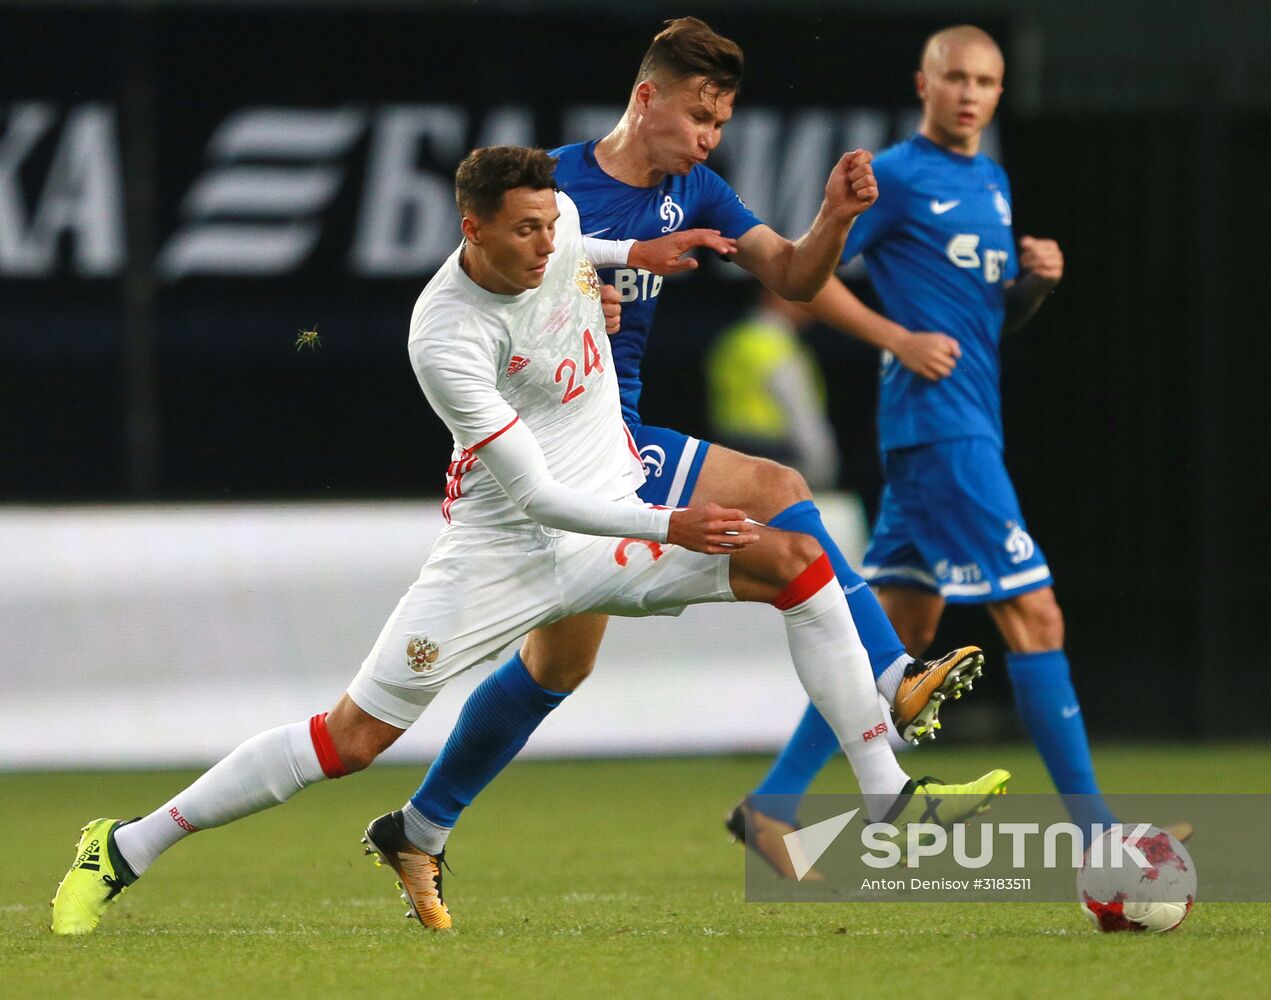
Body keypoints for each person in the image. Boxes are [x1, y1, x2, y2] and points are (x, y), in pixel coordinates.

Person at [49, 146, 1009, 936]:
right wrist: (671, 523)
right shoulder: (443, 336)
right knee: (351, 739)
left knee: (797, 560)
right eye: (526, 230)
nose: (548, 246)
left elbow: (588, 241)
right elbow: (542, 498)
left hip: (612, 517)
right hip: (505, 553)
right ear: (471, 230)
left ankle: (887, 800)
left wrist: (648, 251)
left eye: (554, 225)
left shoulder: (554, 242)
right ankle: (125, 846)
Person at [403, 16, 991, 885]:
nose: (710, 137)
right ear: (646, 100)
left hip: (607, 438)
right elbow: (469, 295)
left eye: (721, 122)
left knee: (560, 664)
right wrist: (562, 308)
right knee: (775, 484)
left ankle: (420, 825)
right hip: (572, 443)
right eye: (698, 117)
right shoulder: (552, 188)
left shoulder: (700, 193)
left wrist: (831, 218)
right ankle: (892, 678)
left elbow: (793, 277)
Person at [799, 25, 1115, 832]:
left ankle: (769, 809)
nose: (969, 93)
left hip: (964, 421)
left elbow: (983, 321)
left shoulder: (994, 181)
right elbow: (806, 282)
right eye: (955, 78)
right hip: (941, 429)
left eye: (984, 80)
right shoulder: (897, 177)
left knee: (900, 631)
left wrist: (1035, 286)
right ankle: (1097, 837)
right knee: (1036, 617)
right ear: (923, 84)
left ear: (998, 92)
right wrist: (895, 337)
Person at [706, 288, 838, 490]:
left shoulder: (734, 340)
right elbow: (801, 412)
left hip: (728, 456)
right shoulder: (778, 347)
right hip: (776, 458)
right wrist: (822, 465)